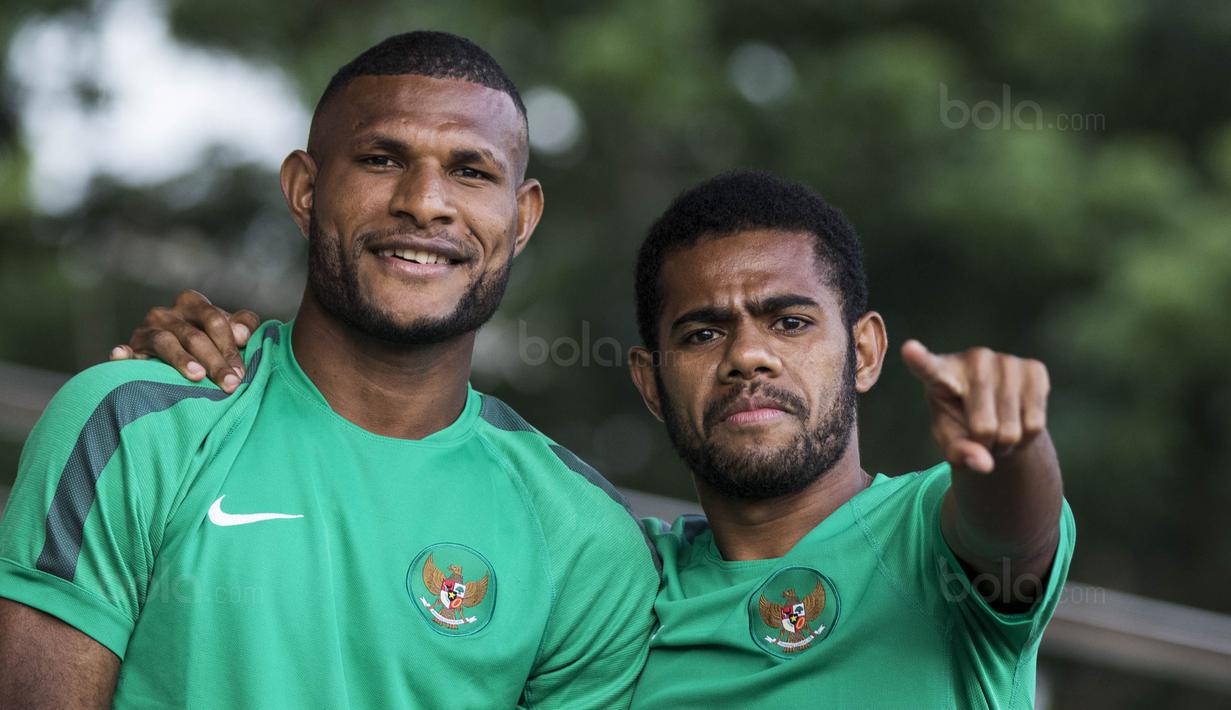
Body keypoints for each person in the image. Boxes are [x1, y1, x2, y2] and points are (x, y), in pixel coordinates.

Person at [114, 171, 1074, 708]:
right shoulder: (606, 577)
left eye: (788, 323)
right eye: (703, 332)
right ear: (652, 385)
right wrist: (252, 366)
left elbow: (1011, 532)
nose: (746, 356)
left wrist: (1009, 441)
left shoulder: (927, 537)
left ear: (862, 352)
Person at [0, 31, 660, 709]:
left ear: (520, 219)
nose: (424, 201)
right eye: (381, 159)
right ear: (305, 190)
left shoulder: (584, 541)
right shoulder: (131, 427)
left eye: (471, 172)